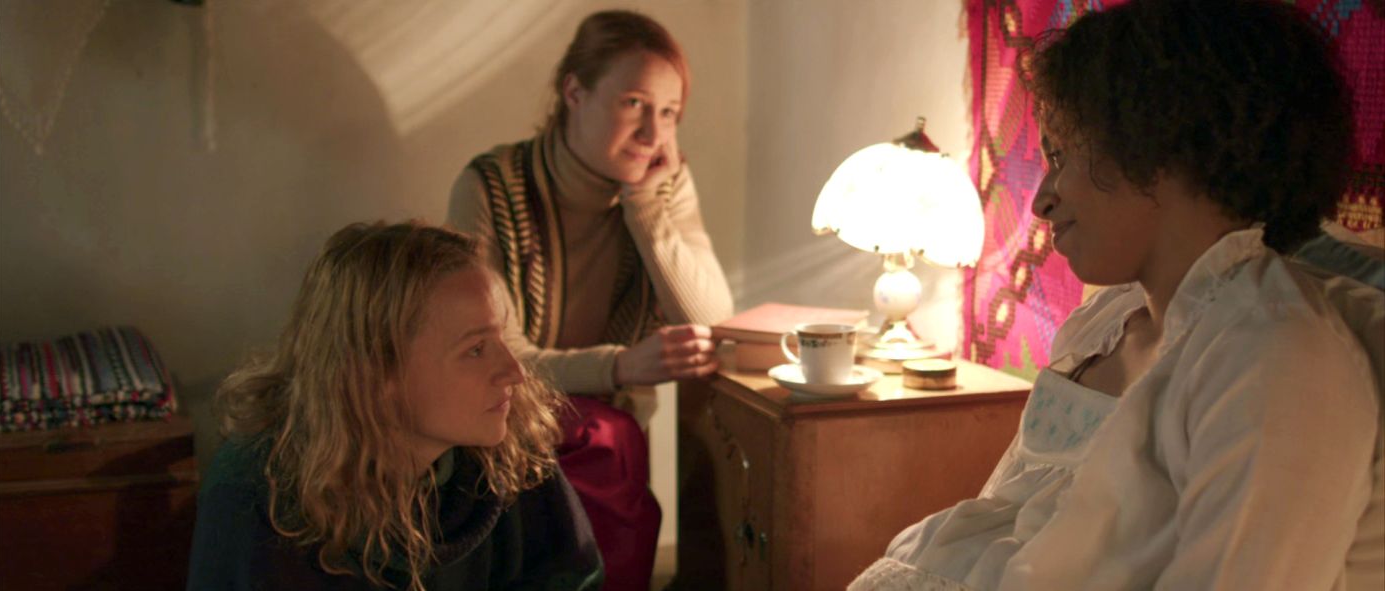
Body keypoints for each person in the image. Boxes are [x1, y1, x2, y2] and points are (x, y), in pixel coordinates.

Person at [850, 1, 1383, 589]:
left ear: (1158, 146)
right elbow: (1013, 519)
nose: (1042, 200)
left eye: (1061, 155)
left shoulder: (1276, 354)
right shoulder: (1107, 319)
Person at [448, 9, 734, 589]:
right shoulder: (491, 186)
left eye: (669, 113)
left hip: (612, 441)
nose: (653, 134)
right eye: (634, 103)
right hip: (503, 419)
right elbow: (495, 357)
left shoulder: (662, 185)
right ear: (574, 92)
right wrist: (619, 366)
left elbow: (711, 321)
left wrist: (645, 206)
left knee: (617, 444)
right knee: (604, 441)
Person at [187, 222, 603, 590]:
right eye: (476, 349)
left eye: (501, 339)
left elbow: (571, 576)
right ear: (377, 371)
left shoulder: (511, 443)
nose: (515, 372)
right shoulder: (260, 491)